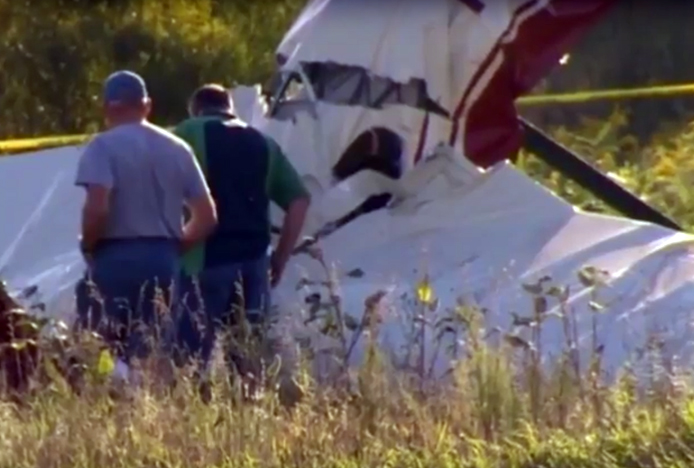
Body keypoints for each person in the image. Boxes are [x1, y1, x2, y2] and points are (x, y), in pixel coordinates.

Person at [74, 70, 217, 383]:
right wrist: (174, 247)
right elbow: (206, 216)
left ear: (108, 108)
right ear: (147, 105)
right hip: (163, 260)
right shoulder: (178, 148)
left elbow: (97, 207)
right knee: (150, 346)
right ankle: (144, 408)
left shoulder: (102, 147)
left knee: (104, 345)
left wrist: (88, 244)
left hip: (114, 258)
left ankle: (109, 398)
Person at [172, 83, 310, 396]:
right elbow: (299, 200)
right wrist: (280, 259)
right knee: (249, 365)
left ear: (197, 109)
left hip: (203, 259)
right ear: (229, 107)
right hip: (255, 263)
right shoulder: (263, 142)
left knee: (189, 361)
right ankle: (250, 424)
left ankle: (192, 425)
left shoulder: (188, 132)